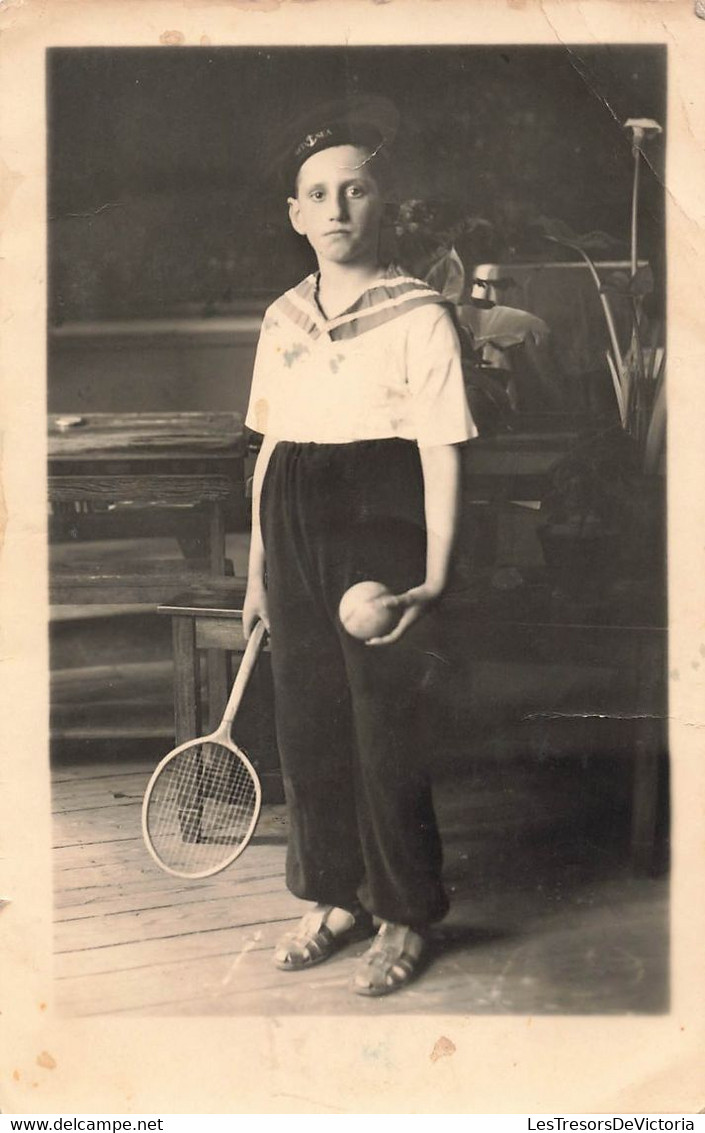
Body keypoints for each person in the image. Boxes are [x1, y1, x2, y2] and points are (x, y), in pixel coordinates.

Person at [242, 96, 477, 997]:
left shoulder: (419, 314)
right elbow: (267, 450)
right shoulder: (280, 319)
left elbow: (439, 446)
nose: (336, 207)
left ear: (383, 204)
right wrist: (261, 570)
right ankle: (335, 897)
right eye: (317, 193)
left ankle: (406, 910)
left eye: (355, 189)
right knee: (308, 717)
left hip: (381, 513)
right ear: (295, 215)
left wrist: (435, 571)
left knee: (381, 721)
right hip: (294, 513)